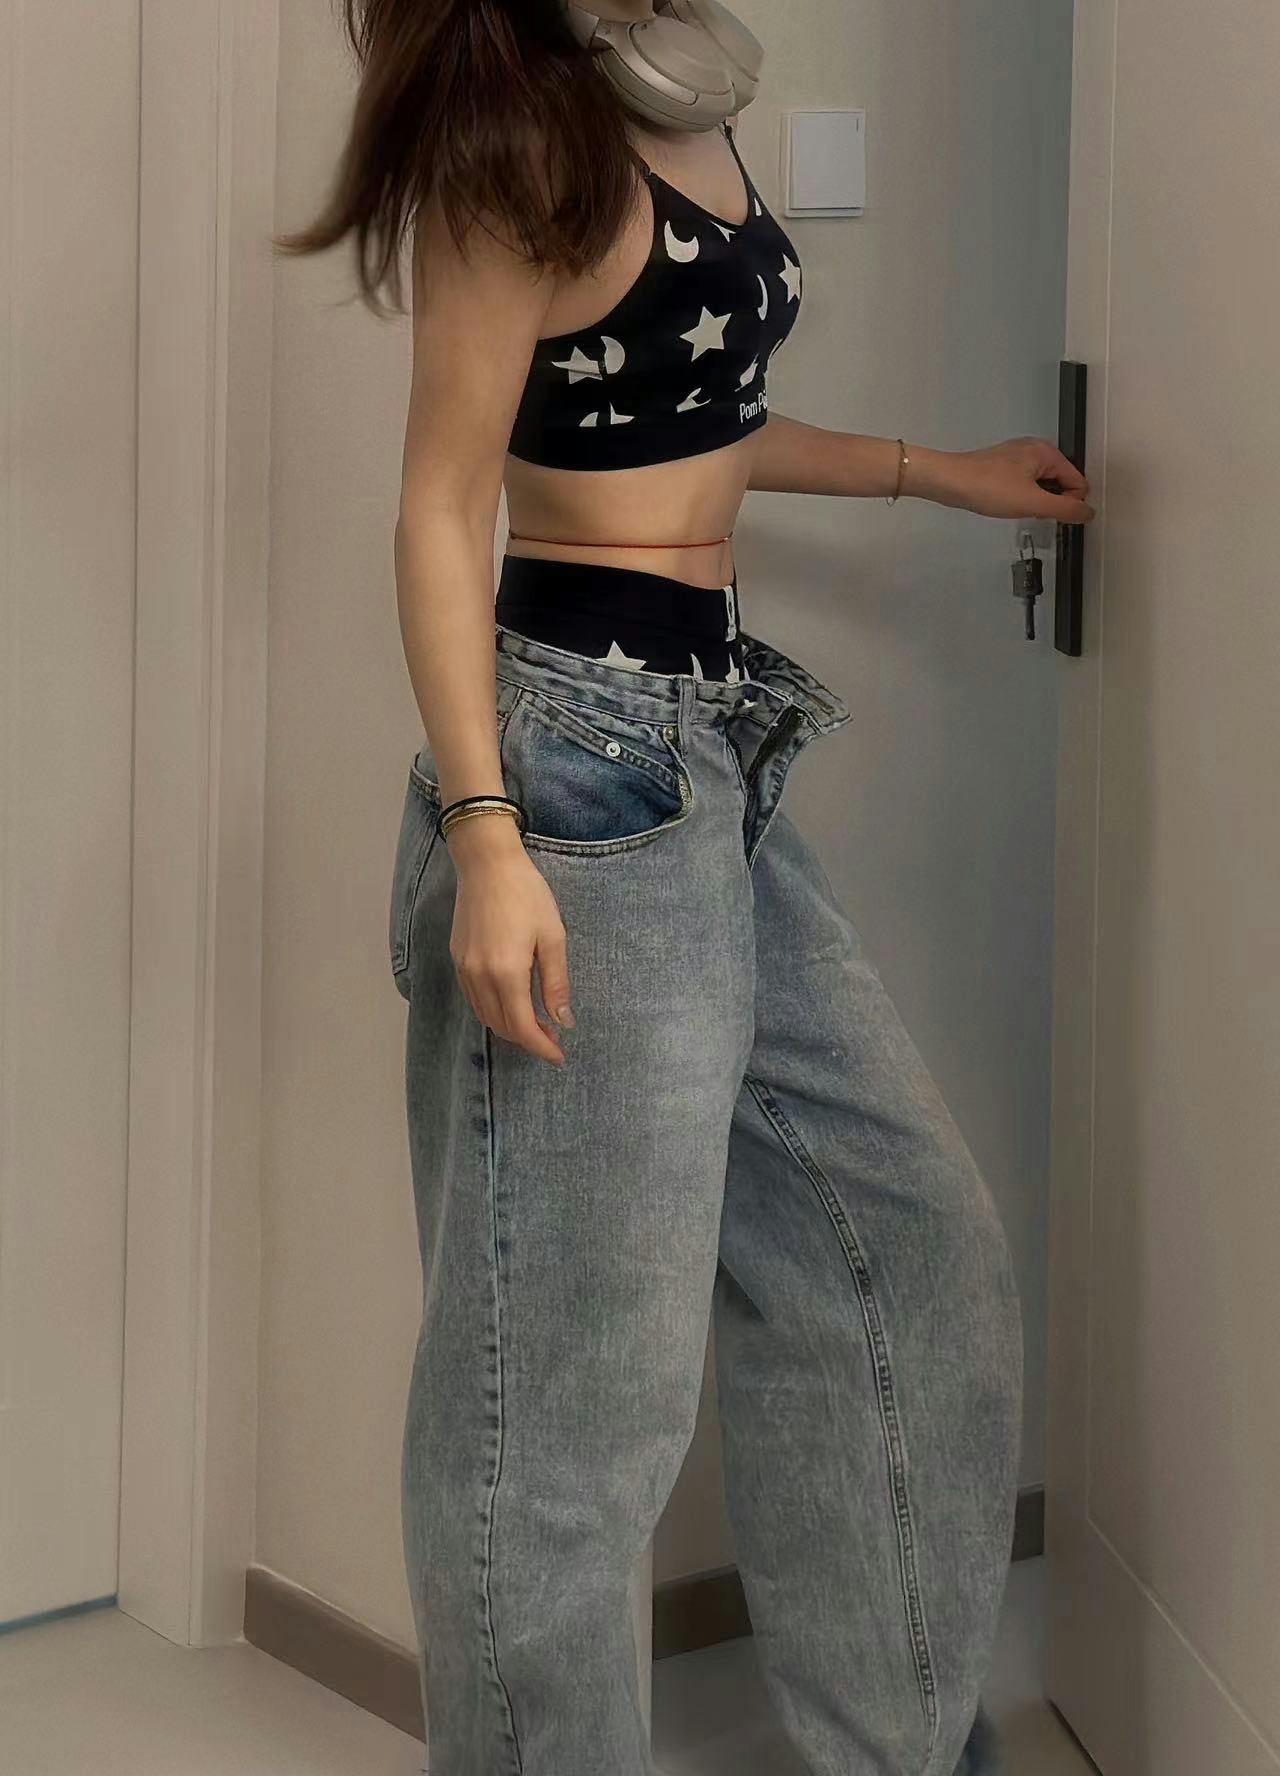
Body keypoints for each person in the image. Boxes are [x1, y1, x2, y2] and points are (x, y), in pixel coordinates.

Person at [278, 4, 1094, 1772]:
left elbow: (687, 406)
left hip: (709, 748)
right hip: (576, 774)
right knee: (565, 1408)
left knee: (905, 1250)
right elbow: (441, 507)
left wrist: (930, 473)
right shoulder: (514, 153)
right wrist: (486, 836)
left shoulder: (678, 101)